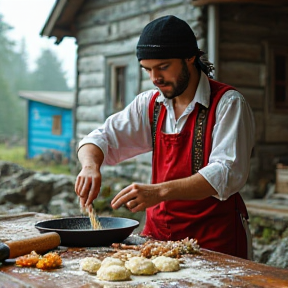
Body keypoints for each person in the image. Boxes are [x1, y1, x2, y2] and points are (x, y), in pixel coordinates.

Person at [75, 15, 255, 260]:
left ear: (190, 57)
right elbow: (101, 137)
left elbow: (225, 175)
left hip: (215, 244)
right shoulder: (150, 104)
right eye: (147, 69)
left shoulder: (228, 104)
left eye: (163, 67)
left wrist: (158, 192)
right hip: (158, 241)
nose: (154, 78)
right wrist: (89, 166)